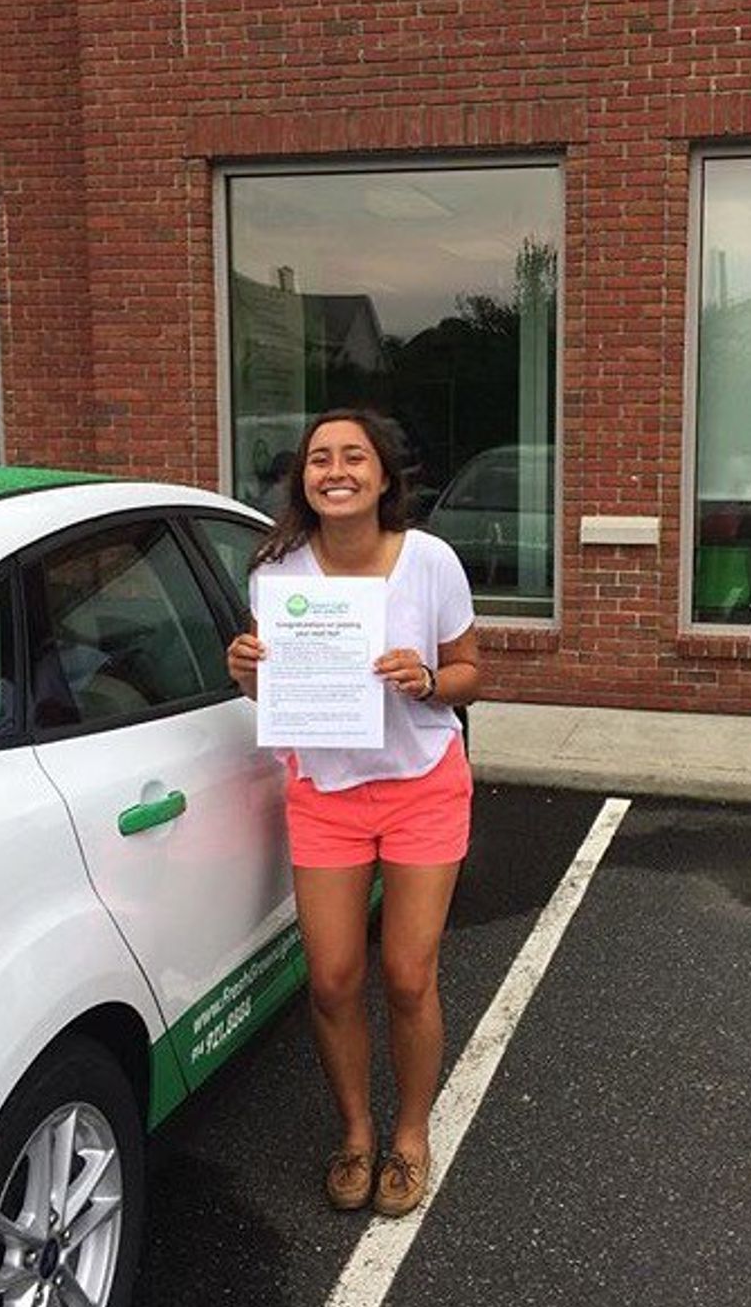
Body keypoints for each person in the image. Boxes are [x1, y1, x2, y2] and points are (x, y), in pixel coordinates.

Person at [226, 408, 480, 1218]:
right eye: (319, 459)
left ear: (383, 475)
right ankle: (357, 1131)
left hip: (421, 783)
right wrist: (247, 672)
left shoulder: (430, 561)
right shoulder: (277, 573)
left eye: (353, 457)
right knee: (333, 979)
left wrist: (428, 681)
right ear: (302, 478)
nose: (335, 471)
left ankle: (410, 1133)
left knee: (407, 975)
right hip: (326, 794)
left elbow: (471, 671)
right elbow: (278, 693)